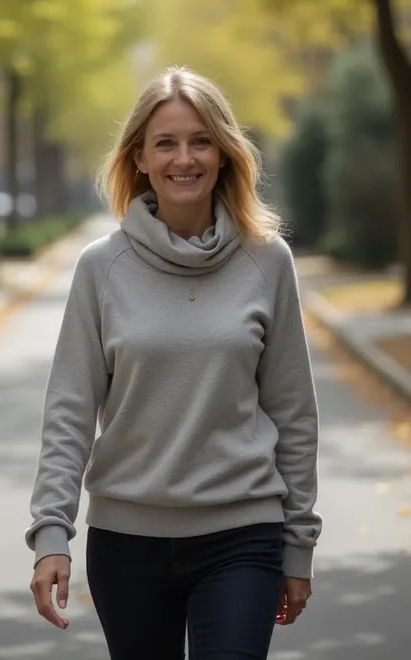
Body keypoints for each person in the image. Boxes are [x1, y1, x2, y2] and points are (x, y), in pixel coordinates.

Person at [26, 66, 322, 660]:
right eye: (165, 142)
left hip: (244, 536)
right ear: (139, 157)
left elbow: (293, 412)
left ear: (224, 153)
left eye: (200, 140)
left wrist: (298, 545)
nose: (183, 158)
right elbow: (70, 409)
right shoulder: (100, 268)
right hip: (127, 544)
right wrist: (51, 532)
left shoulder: (268, 261)